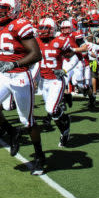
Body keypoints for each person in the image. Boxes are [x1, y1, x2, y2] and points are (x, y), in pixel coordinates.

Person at [0, 0, 46, 175]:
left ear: (14, 9)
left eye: (4, 8)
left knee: (27, 120)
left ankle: (39, 157)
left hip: (20, 76)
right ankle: (12, 132)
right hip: (2, 74)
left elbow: (36, 54)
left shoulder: (20, 25)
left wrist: (15, 64)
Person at [40, 17, 78, 149]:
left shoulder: (61, 41)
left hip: (56, 81)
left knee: (51, 109)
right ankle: (65, 129)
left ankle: (65, 125)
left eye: (46, 28)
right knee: (52, 110)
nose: (42, 31)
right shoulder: (36, 42)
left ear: (52, 30)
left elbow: (74, 58)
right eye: (41, 28)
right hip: (43, 81)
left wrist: (64, 69)